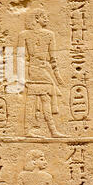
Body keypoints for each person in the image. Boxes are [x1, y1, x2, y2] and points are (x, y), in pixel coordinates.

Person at [18, 9, 66, 138]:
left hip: (42, 71)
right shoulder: (25, 35)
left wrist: (57, 76)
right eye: (44, 17)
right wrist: (22, 78)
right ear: (37, 18)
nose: (47, 19)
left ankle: (50, 130)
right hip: (34, 71)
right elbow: (20, 58)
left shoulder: (49, 35)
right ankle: (44, 130)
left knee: (42, 100)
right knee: (34, 101)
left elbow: (53, 58)